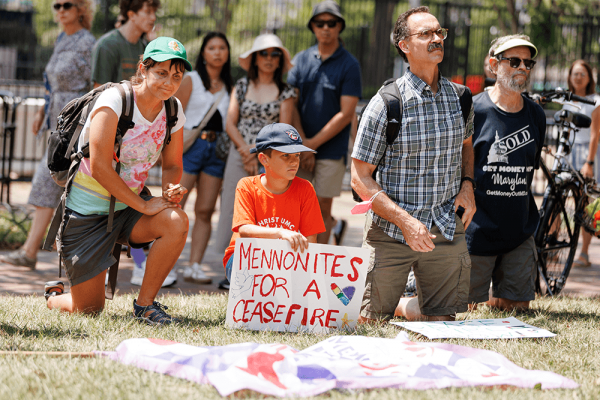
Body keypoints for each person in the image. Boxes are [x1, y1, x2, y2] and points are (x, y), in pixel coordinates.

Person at [43, 37, 191, 325]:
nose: (169, 83)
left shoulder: (172, 110)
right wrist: (145, 205)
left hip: (128, 209)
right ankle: (53, 295)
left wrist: (171, 189)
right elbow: (99, 167)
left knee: (177, 220)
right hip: (86, 214)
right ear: (143, 68)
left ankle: (145, 305)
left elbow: (172, 164)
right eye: (161, 73)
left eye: (176, 76)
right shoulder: (115, 101)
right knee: (89, 309)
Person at [351, 6, 475, 322]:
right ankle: (395, 305)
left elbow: (466, 147)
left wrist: (468, 185)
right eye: (426, 34)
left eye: (439, 32)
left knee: (443, 323)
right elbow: (359, 178)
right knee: (370, 322)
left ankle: (408, 307)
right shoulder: (385, 104)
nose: (436, 38)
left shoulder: (461, 98)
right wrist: (405, 221)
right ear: (404, 45)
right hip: (391, 230)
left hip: (445, 226)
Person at [1, 0, 95, 270]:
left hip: (77, 123)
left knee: (55, 182)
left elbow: (95, 86)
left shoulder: (88, 42)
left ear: (80, 9)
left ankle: (35, 252)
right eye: (57, 5)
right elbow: (48, 82)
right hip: (57, 120)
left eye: (67, 5)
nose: (61, 9)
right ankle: (37, 251)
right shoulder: (60, 38)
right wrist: (42, 112)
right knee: (55, 184)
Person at [466, 35, 546, 311]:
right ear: (493, 65)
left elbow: (530, 164)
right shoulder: (474, 110)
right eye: (514, 61)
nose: (522, 67)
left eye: (528, 62)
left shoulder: (536, 115)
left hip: (518, 229)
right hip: (476, 229)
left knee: (517, 308)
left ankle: (498, 294)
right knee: (462, 309)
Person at [214, 33, 296, 268]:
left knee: (266, 212)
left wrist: (260, 156)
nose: (269, 58)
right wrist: (245, 151)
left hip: (271, 159)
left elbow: (284, 130)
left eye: (274, 54)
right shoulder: (241, 85)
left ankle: (260, 266)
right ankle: (229, 266)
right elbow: (230, 123)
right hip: (238, 154)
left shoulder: (287, 91)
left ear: (280, 60)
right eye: (263, 53)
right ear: (254, 58)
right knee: (231, 207)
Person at [288, 0, 361, 245]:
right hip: (299, 148)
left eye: (332, 23)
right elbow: (291, 103)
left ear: (340, 26)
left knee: (321, 207)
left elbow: (346, 113)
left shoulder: (350, 64)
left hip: (330, 150)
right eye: (320, 23)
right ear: (313, 27)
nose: (326, 28)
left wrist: (312, 145)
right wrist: (302, 145)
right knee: (295, 206)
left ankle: (316, 267)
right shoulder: (300, 59)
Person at [222, 123, 325, 281]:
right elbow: (244, 229)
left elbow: (311, 239)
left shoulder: (306, 188)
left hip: (284, 260)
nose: (294, 161)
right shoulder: (246, 185)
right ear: (264, 159)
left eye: (297, 155)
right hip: (243, 258)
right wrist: (280, 232)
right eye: (285, 155)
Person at [174, 32, 233, 285]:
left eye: (222, 47)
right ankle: (164, 264)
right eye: (212, 48)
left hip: (218, 150)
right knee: (176, 205)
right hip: (191, 147)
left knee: (206, 210)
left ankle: (194, 265)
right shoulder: (192, 79)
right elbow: (176, 116)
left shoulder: (232, 85)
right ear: (204, 53)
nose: (217, 52)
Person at [563, 60, 600, 268]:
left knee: (585, 203)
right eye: (575, 73)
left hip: (588, 152)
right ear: (570, 76)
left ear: (589, 78)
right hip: (569, 152)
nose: (578, 77)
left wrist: (590, 162)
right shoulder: (567, 100)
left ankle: (584, 253)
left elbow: (595, 135)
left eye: (582, 74)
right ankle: (551, 245)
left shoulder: (596, 100)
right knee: (560, 197)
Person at [91, 0, 159, 88]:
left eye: (154, 12)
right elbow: (98, 92)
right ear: (131, 15)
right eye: (148, 12)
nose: (153, 17)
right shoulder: (107, 46)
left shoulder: (145, 47)